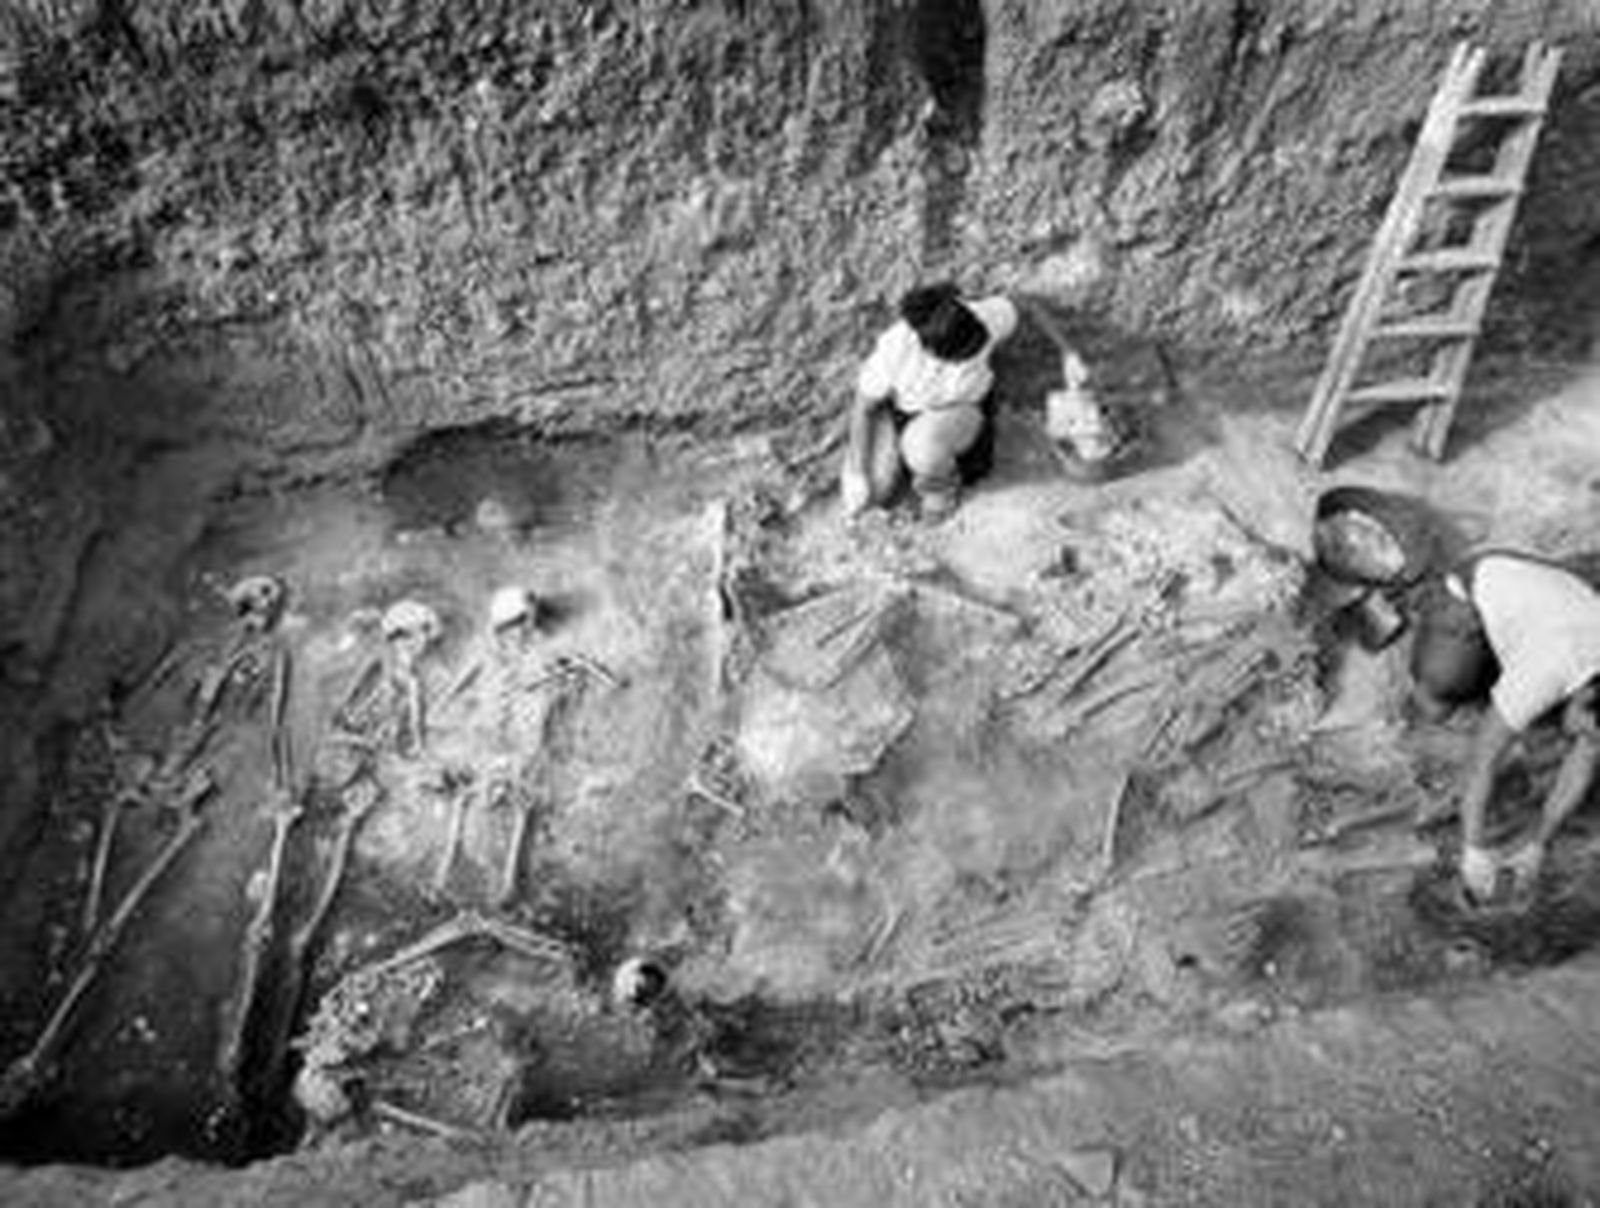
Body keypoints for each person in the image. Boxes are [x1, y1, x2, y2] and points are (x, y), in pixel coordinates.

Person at [1414, 551, 1600, 900]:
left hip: (1554, 607)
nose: (1586, 739)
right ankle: (1454, 636)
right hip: (1476, 585)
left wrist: (1538, 845)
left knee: (1542, 725)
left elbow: (1583, 760)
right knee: (1437, 699)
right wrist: (1472, 850)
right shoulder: (1545, 672)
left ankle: (1500, 651)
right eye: (1587, 730)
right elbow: (1481, 760)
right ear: (1588, 696)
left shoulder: (1589, 698)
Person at [840, 283, 1019, 520]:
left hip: (959, 412)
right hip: (906, 413)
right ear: (929, 350)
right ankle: (908, 469)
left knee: (923, 448)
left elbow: (1021, 305)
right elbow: (863, 407)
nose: (968, 358)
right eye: (961, 357)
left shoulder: (983, 317)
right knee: (876, 491)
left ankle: (940, 489)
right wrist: (856, 474)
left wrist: (1064, 351)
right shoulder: (896, 349)